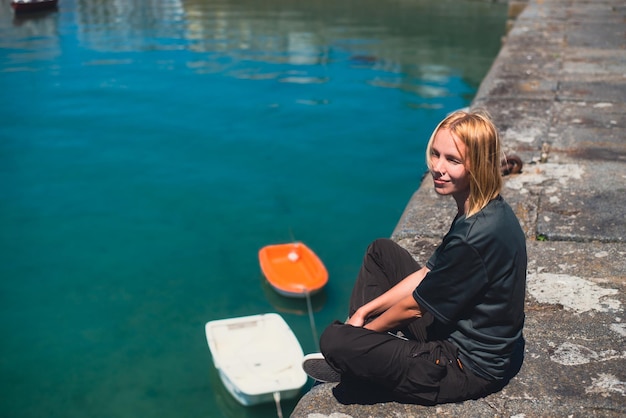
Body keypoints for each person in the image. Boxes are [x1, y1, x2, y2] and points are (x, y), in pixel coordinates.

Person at [302, 110, 527, 405]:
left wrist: (360, 340)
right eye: (435, 154)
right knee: (381, 252)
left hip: (464, 366)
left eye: (453, 160)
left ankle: (362, 358)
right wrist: (362, 312)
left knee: (334, 341)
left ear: (479, 166)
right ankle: (370, 353)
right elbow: (426, 275)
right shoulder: (483, 209)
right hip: (453, 330)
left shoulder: (476, 233)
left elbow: (414, 308)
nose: (438, 168)